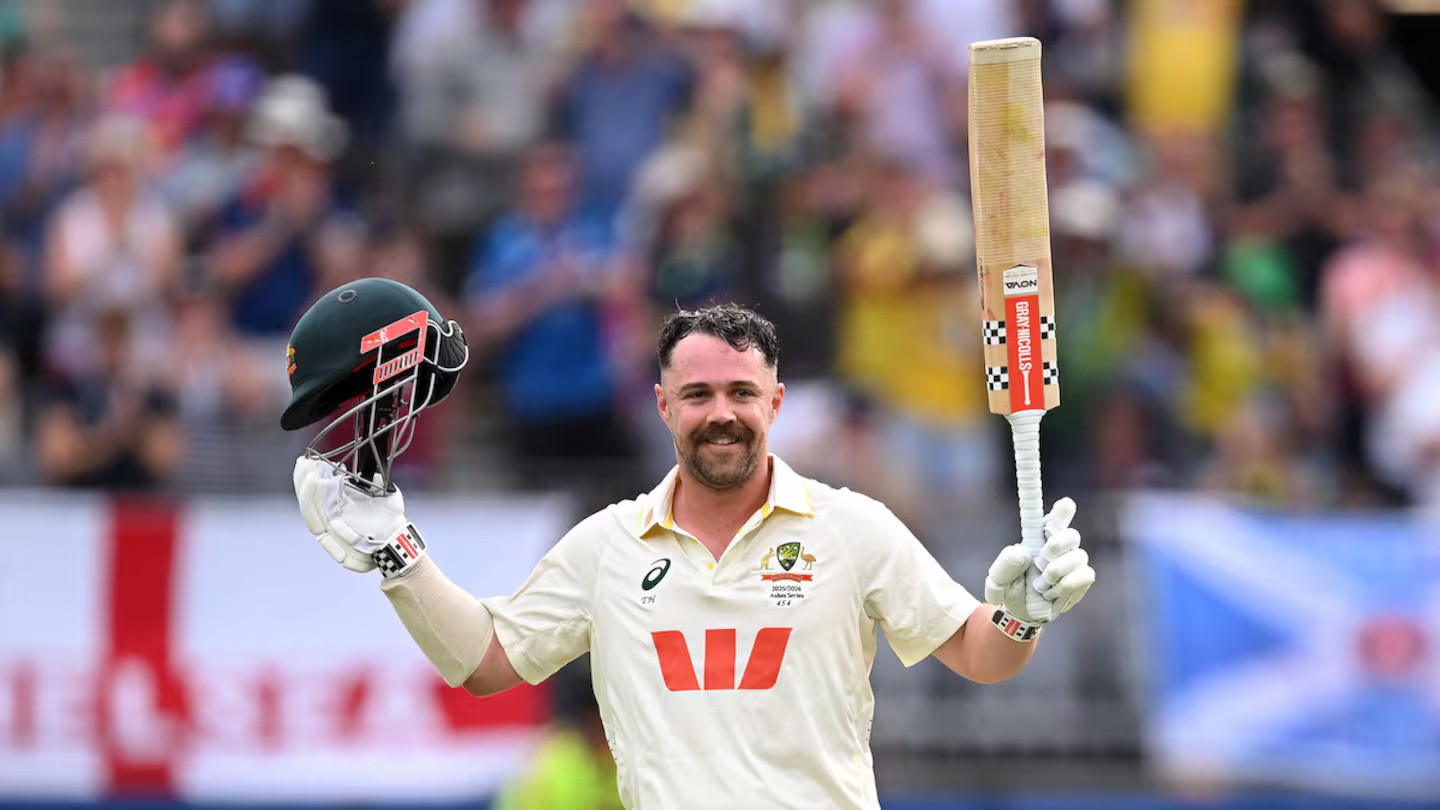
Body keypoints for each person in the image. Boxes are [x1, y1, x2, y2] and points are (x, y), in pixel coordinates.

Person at [291, 303, 1095, 809]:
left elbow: (980, 654)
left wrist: (1021, 617)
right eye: (700, 396)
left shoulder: (852, 528)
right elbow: (487, 663)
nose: (723, 415)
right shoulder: (610, 545)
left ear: (776, 403)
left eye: (743, 394)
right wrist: (399, 559)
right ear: (663, 405)